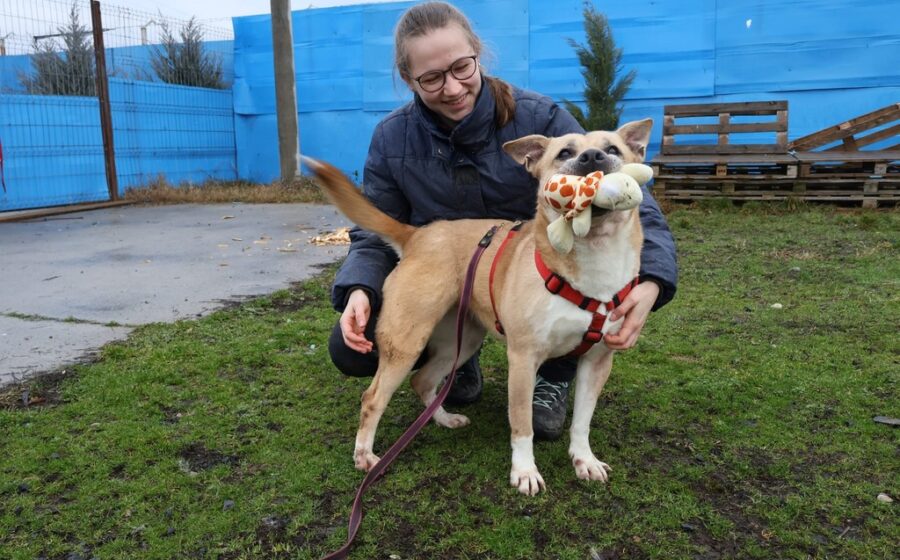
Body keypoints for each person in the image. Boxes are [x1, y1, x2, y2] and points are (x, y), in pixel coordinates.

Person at [327, 1, 677, 440]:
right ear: (408, 79)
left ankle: (555, 373)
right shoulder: (393, 136)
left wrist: (654, 281)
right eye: (432, 78)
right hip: (440, 258)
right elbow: (375, 232)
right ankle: (458, 355)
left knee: (564, 300)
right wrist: (359, 287)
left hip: (536, 272)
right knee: (352, 350)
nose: (453, 88)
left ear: (479, 53)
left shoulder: (540, 117)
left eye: (462, 67)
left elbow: (629, 198)